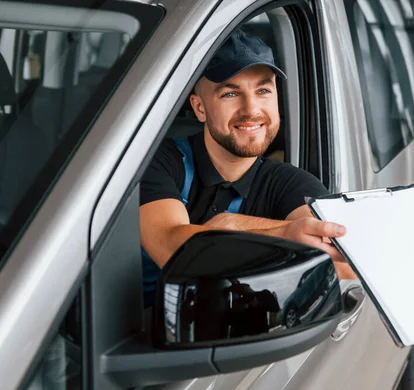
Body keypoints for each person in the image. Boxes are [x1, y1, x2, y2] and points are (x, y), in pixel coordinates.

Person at [139, 29, 356, 306]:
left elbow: (343, 265)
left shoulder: (291, 184)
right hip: (131, 336)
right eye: (230, 94)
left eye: (263, 91)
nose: (251, 109)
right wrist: (285, 234)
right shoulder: (160, 161)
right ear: (200, 108)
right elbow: (171, 245)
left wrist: (231, 225)